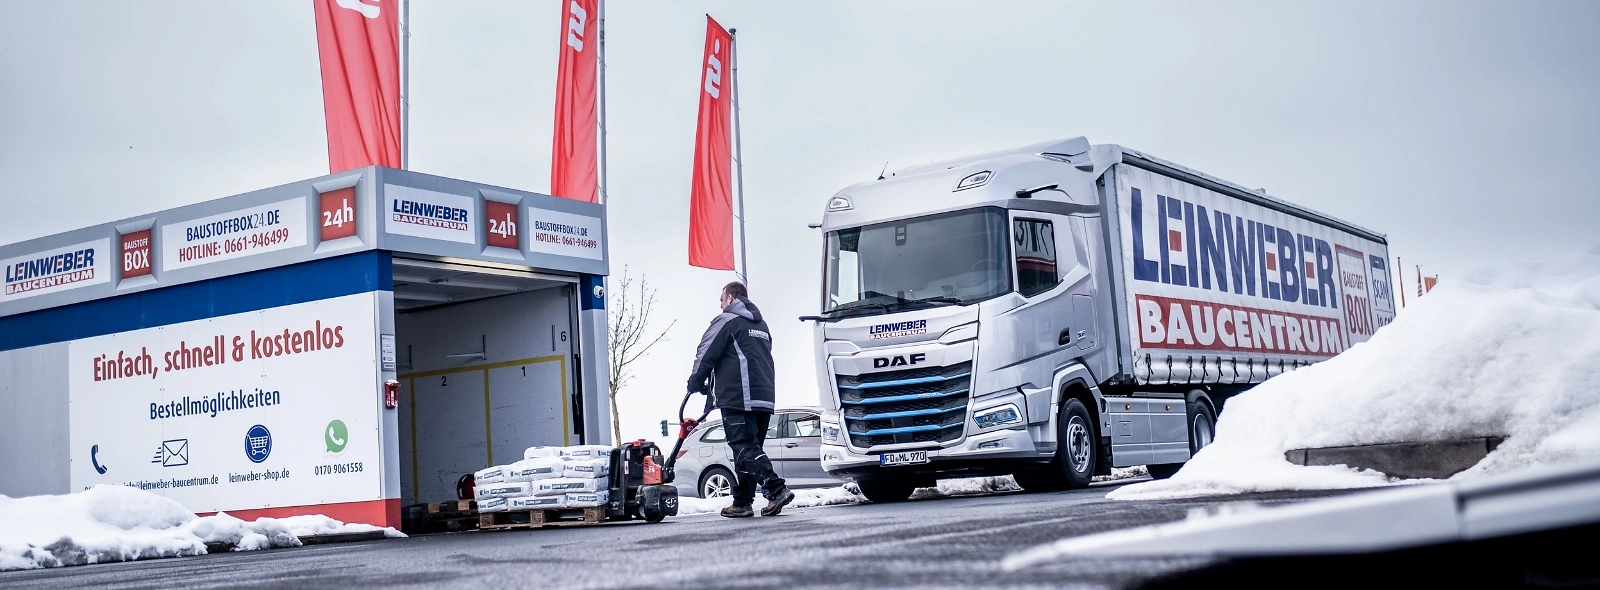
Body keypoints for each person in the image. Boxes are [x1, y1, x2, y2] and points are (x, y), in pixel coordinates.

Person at [687, 281, 794, 518]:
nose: (721, 304)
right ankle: (742, 501)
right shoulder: (762, 325)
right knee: (748, 451)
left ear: (731, 297)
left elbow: (706, 351)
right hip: (764, 397)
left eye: (722, 299)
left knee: (744, 448)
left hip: (738, 396)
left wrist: (695, 381)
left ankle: (776, 490)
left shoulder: (726, 320)